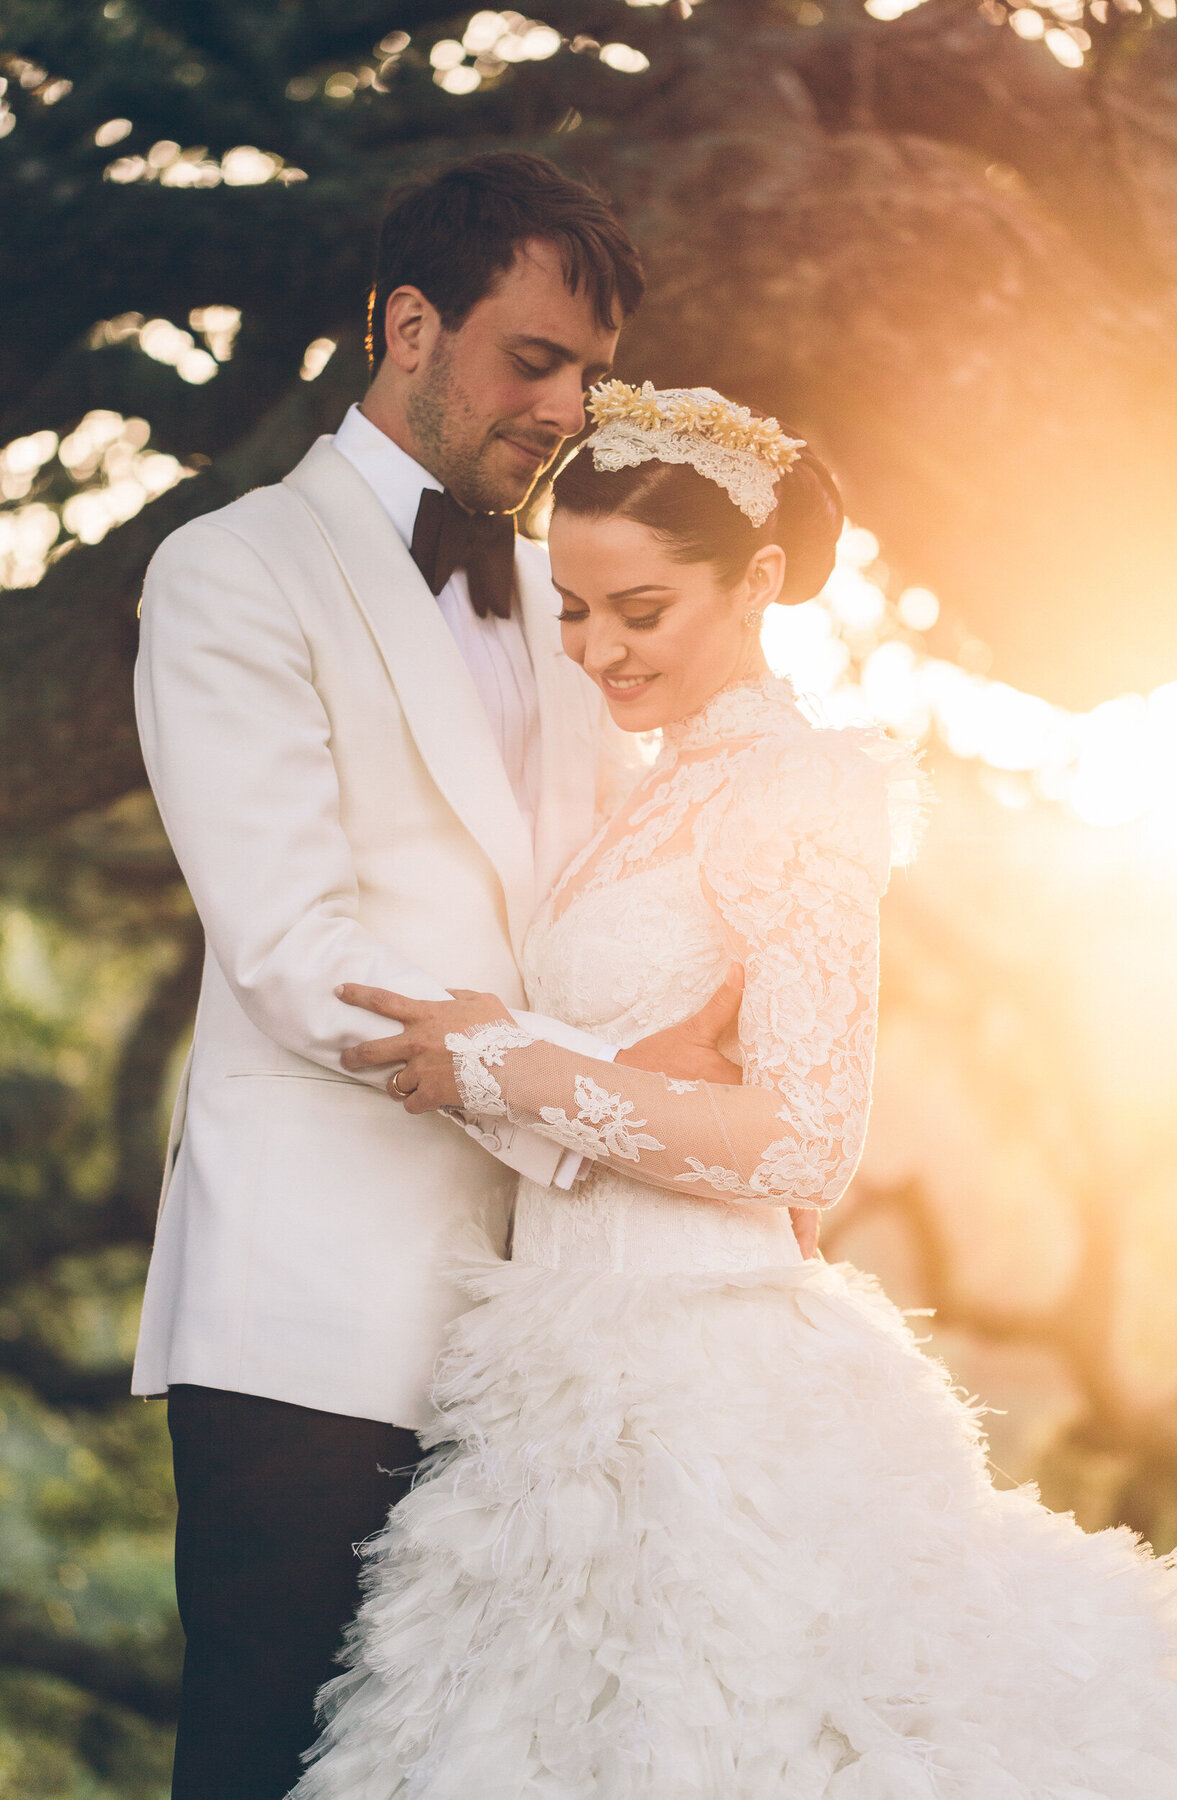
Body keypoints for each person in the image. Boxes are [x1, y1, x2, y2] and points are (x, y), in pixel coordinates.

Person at [296, 382, 1177, 1798]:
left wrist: (508, 1058)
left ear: (760, 580)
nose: (597, 650)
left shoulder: (803, 789)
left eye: (639, 612)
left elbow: (806, 1136)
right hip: (563, 1365)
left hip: (705, 1369)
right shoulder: (649, 792)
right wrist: (499, 1046)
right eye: (575, 611)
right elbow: (628, 1046)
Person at [133, 157, 741, 1800]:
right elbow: (290, 950)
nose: (565, 408)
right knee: (271, 1758)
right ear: (413, 327)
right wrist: (574, 1094)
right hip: (312, 1313)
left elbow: (633, 896)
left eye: (588, 375)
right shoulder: (232, 571)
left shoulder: (569, 606)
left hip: (548, 1329)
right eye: (532, 358)